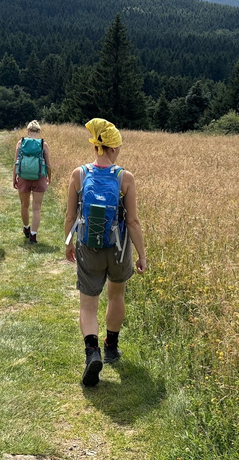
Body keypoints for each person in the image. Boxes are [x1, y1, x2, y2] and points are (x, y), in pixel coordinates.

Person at [64, 118, 147, 387]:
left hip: (89, 245)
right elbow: (133, 222)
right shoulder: (125, 177)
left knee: (88, 305)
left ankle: (92, 352)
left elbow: (70, 215)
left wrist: (68, 243)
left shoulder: (79, 174)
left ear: (95, 147)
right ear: (112, 148)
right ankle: (111, 347)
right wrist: (142, 255)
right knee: (116, 295)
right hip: (119, 247)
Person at [13, 120, 52, 244]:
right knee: (37, 209)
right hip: (39, 177)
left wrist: (14, 177)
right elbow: (49, 165)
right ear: (39, 131)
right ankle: (33, 235)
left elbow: (16, 162)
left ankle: (26, 228)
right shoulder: (43, 144)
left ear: (28, 130)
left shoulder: (21, 143)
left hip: (23, 177)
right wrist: (49, 177)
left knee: (24, 205)